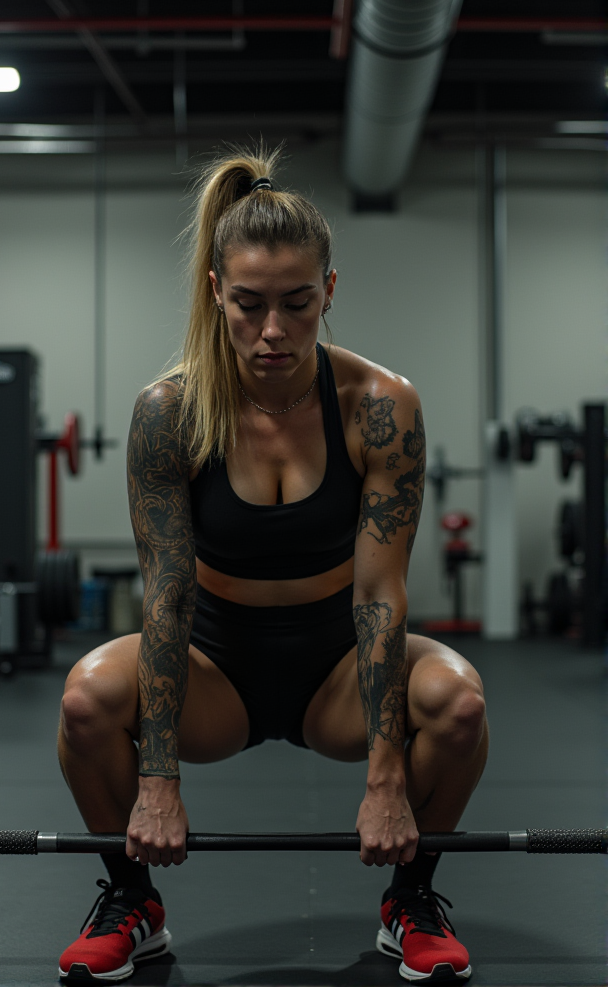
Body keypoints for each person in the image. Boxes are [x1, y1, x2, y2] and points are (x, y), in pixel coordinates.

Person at [57, 148, 489, 985]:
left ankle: (412, 900)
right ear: (215, 288)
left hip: (338, 666)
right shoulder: (169, 413)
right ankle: (131, 902)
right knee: (84, 700)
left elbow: (378, 592)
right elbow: (169, 596)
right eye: (249, 305)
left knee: (459, 704)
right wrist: (157, 777)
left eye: (296, 305)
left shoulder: (381, 406)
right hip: (213, 664)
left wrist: (387, 775)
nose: (272, 332)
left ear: (329, 290)